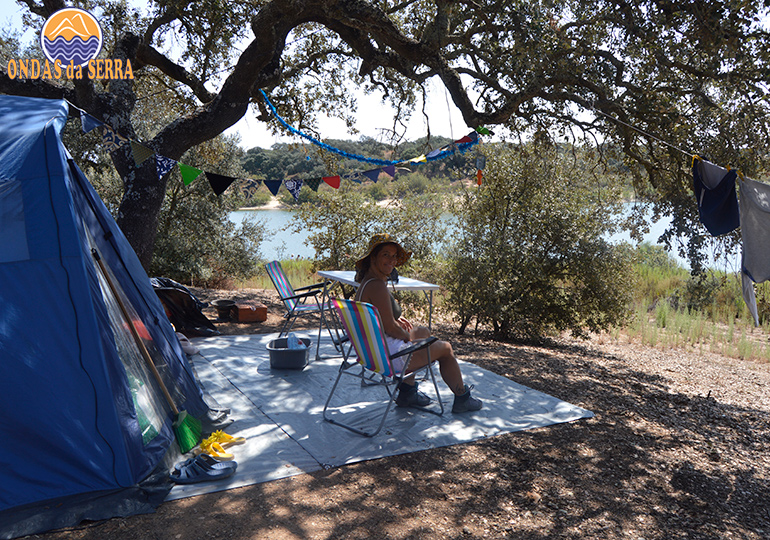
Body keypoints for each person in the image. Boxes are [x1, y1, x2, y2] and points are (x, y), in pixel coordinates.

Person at [354, 233, 482, 413]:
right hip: (391, 358)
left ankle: (407, 393)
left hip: (373, 353)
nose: (392, 260)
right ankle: (463, 398)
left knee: (421, 331)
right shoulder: (377, 286)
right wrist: (407, 338)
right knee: (445, 348)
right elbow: (390, 328)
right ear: (373, 257)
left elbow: (381, 320)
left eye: (394, 256)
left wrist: (401, 326)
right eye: (386, 254)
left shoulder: (366, 284)